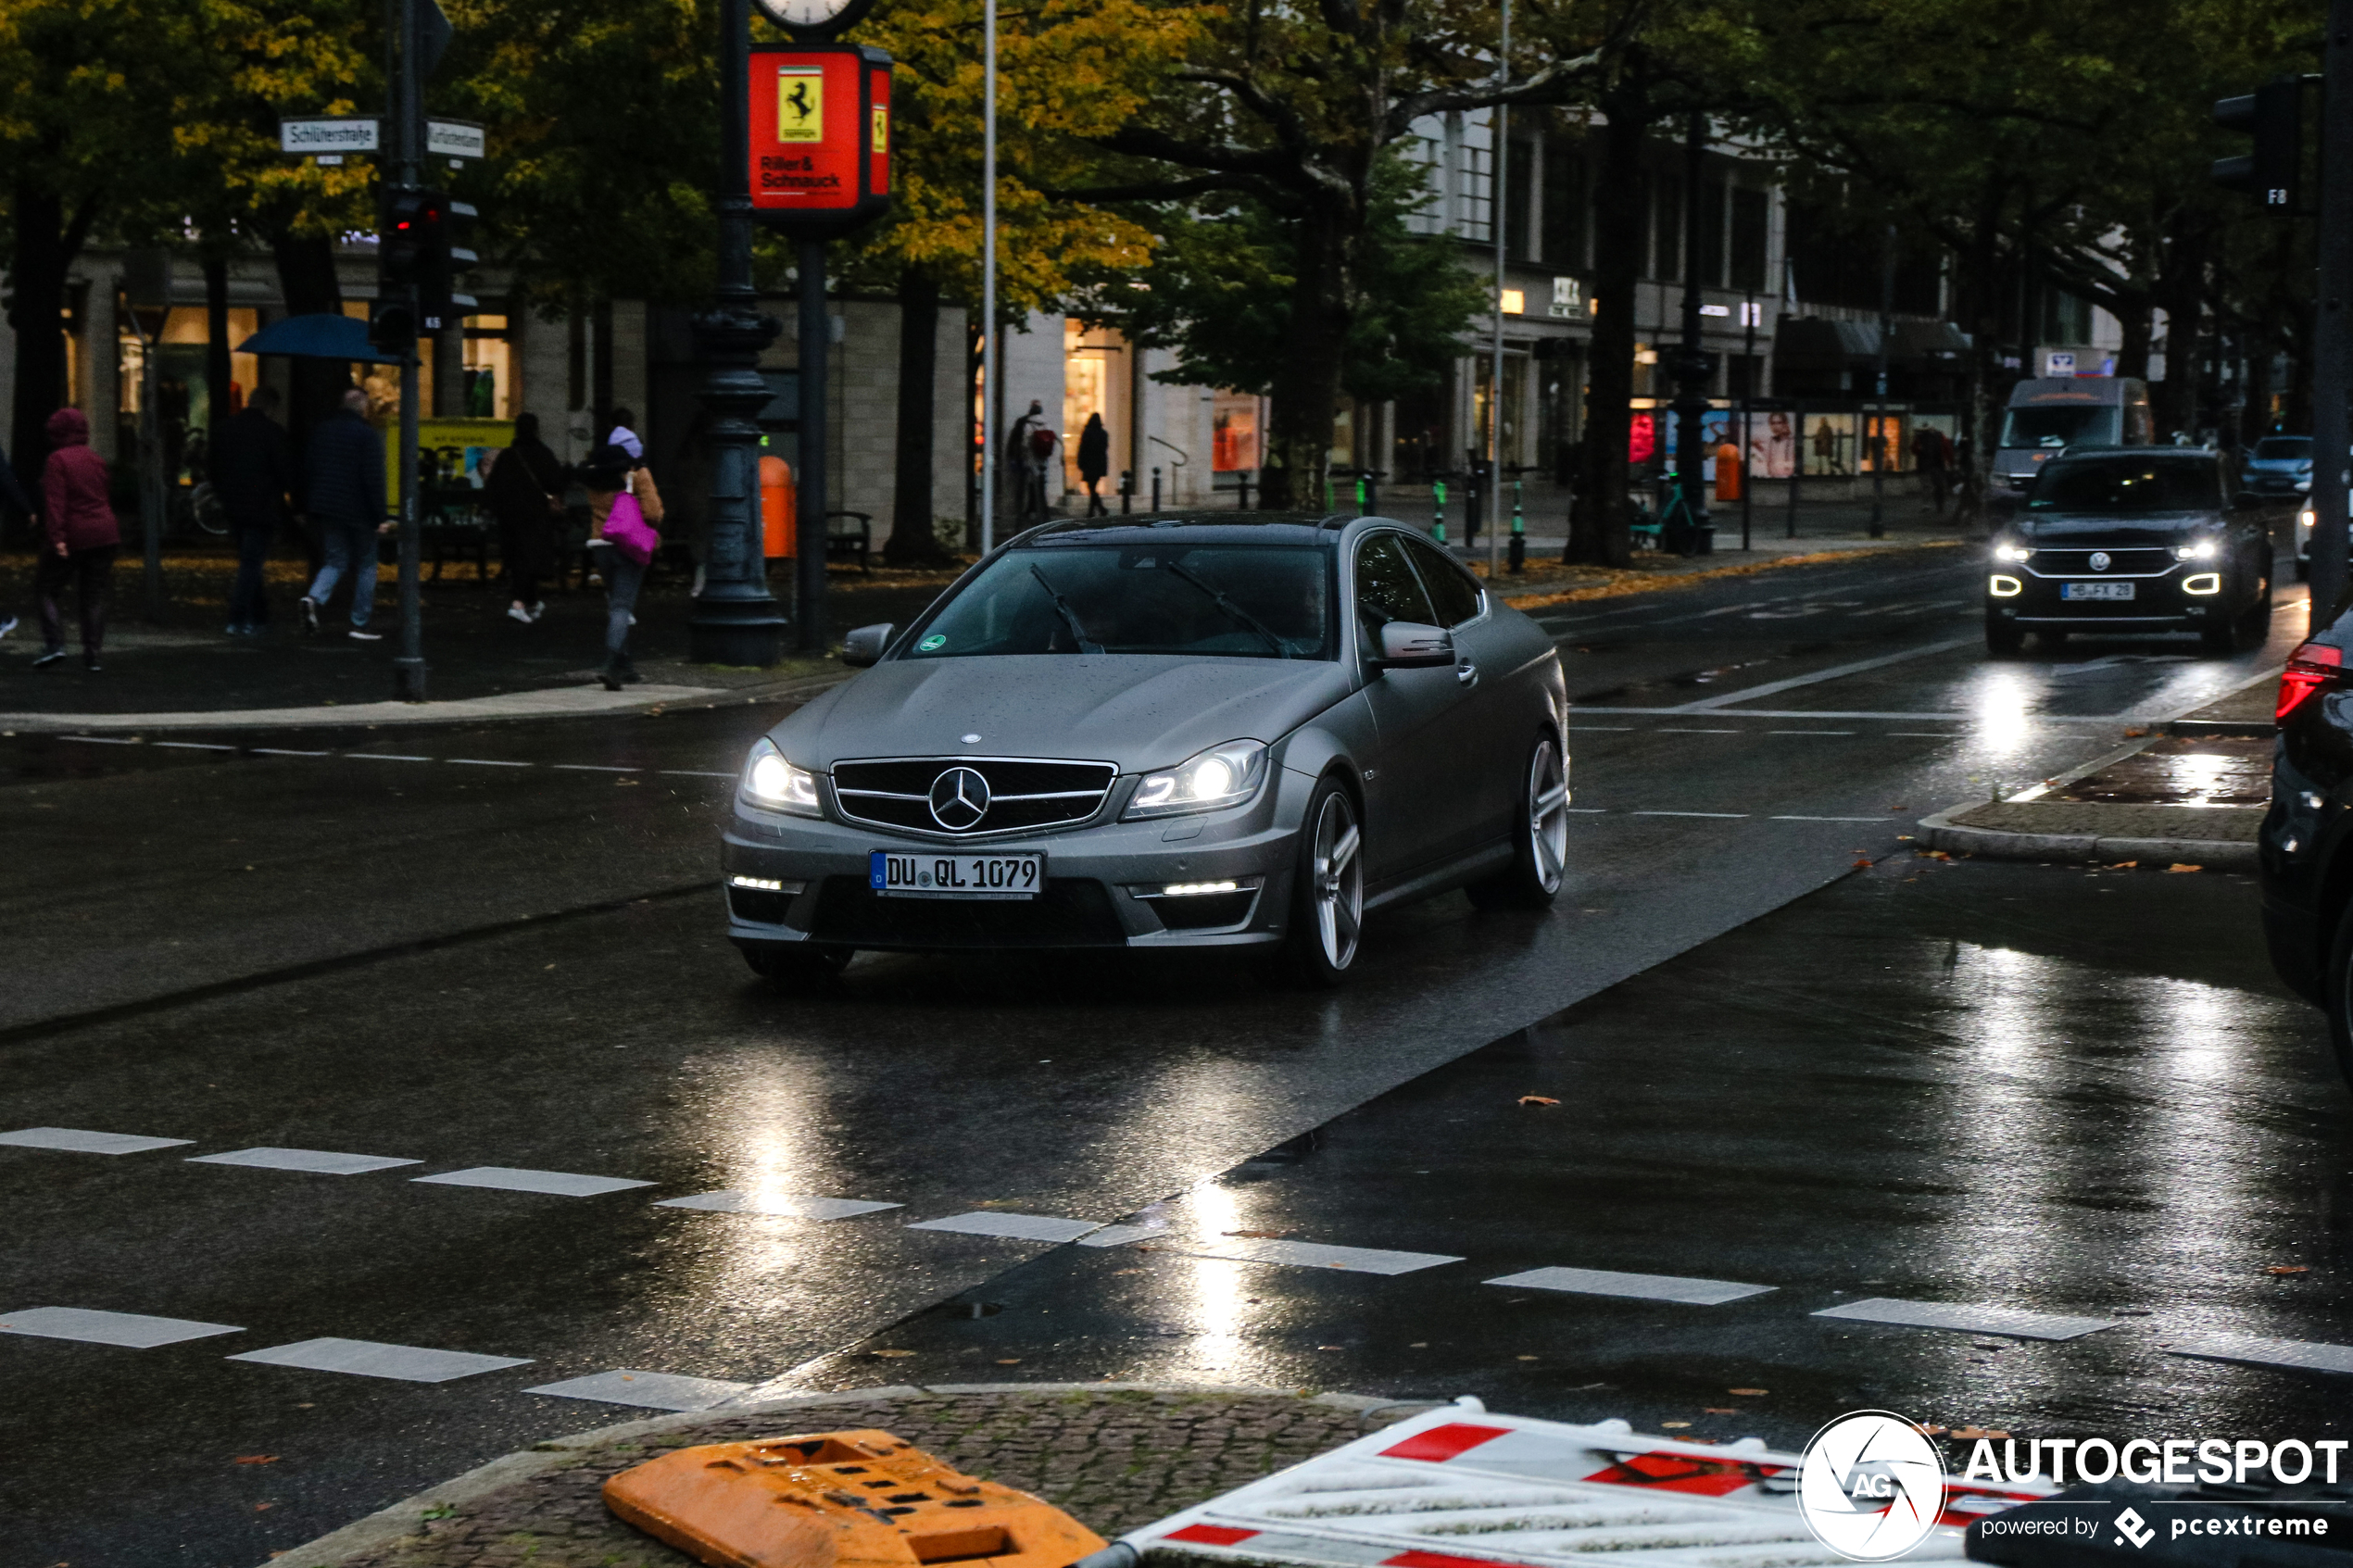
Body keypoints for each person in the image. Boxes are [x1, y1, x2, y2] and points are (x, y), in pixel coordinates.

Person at [297, 387, 392, 641]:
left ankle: (313, 597)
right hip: (359, 509)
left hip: (328, 507)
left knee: (335, 560)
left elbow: (309, 468)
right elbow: (373, 478)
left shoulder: (322, 431)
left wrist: (309, 505)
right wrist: (380, 516)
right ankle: (360, 623)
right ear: (364, 408)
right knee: (366, 564)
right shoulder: (366, 435)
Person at [31, 408, 120, 671]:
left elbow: (56, 503)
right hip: (106, 533)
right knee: (92, 596)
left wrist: (57, 537)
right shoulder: (96, 459)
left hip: (75, 533)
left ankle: (55, 644)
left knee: (45, 588)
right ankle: (93, 655)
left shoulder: (58, 460)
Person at [209, 386, 294, 635]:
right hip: (262, 505)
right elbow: (285, 470)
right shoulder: (273, 432)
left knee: (249, 561)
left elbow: (213, 466)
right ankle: (240, 617)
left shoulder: (225, 429)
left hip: (234, 504)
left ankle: (258, 616)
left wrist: (223, 493)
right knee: (252, 562)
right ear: (270, 407)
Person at [584, 438, 663, 689]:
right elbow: (653, 512)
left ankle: (625, 666)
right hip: (629, 544)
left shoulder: (593, 478)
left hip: (601, 546)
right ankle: (610, 665)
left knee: (616, 604)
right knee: (621, 607)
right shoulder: (637, 474)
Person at [486, 412, 566, 623]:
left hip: (510, 517)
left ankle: (529, 602)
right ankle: (520, 603)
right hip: (535, 515)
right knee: (531, 558)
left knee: (517, 558)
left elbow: (493, 487)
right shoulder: (543, 454)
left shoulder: (508, 456)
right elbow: (556, 482)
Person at [1076, 413, 1110, 518]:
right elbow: (1104, 449)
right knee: (1092, 487)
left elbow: (1082, 449)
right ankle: (1098, 509)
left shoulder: (1087, 432)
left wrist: (1080, 462)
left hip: (1089, 463)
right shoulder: (1103, 433)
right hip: (1098, 464)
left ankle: (1098, 509)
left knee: (1091, 488)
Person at [1913, 426, 1951, 515]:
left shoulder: (1920, 437)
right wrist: (1950, 462)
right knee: (1938, 486)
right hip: (1937, 465)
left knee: (1927, 486)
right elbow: (1948, 449)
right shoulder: (1940, 436)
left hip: (1925, 466)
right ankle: (1939, 505)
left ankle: (1927, 504)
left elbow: (1914, 449)